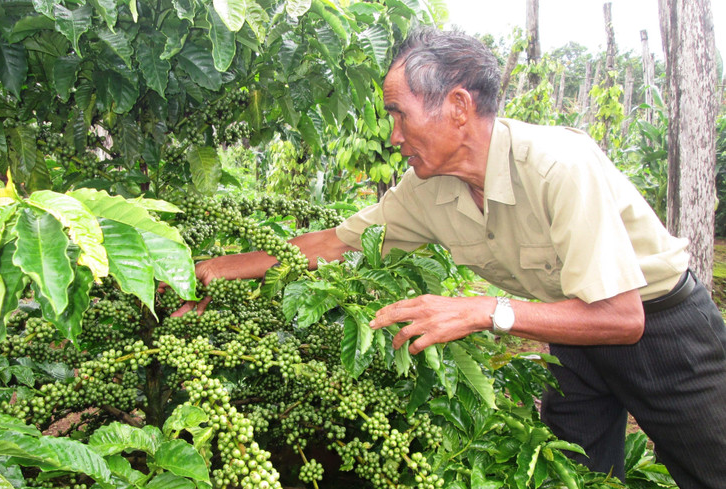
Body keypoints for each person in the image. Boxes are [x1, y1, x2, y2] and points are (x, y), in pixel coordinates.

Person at [171, 27, 726, 488]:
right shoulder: (425, 189)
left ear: (458, 106)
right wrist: (212, 273)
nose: (392, 136)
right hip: (569, 331)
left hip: (663, 328)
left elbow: (623, 319)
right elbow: (332, 246)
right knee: (574, 477)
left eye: (399, 115)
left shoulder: (559, 165)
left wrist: (484, 311)